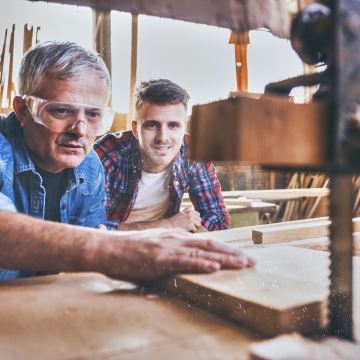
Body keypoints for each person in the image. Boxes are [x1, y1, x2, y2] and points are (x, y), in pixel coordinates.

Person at [0, 41, 254, 281]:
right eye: (62, 110)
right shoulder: (105, 155)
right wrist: (136, 240)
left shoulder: (89, 169)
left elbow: (87, 262)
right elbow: (98, 242)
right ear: (23, 110)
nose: (80, 130)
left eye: (93, 114)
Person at [95, 79, 230, 233]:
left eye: (173, 125)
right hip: (114, 250)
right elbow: (91, 226)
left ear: (184, 127)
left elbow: (218, 218)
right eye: (152, 125)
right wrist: (168, 226)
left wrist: (190, 227)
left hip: (166, 247)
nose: (163, 137)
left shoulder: (193, 151)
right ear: (135, 129)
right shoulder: (107, 153)